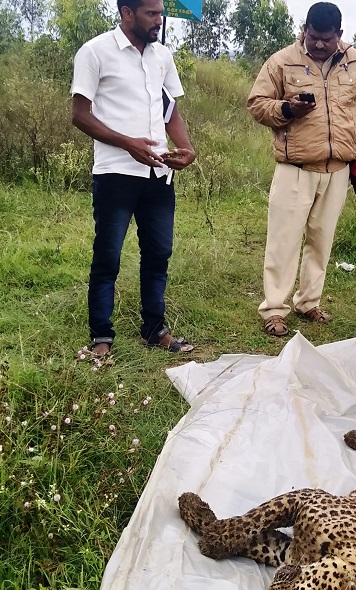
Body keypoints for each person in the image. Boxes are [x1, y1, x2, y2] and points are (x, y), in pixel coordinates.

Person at [247, 2, 356, 337]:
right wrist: (287, 109)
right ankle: (274, 310)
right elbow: (257, 103)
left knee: (321, 240)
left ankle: (309, 302)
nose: (320, 44)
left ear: (339, 34)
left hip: (338, 168)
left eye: (326, 38)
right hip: (295, 166)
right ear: (304, 30)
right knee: (284, 240)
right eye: (313, 37)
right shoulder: (282, 61)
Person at [71, 0, 196, 356]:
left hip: (158, 173)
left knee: (158, 253)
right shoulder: (95, 52)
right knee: (108, 256)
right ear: (127, 13)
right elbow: (80, 115)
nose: (159, 20)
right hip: (116, 173)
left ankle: (155, 329)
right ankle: (101, 337)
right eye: (151, 14)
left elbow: (171, 110)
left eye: (161, 13)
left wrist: (186, 147)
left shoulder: (162, 57)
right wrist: (127, 144)